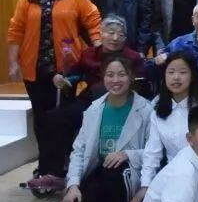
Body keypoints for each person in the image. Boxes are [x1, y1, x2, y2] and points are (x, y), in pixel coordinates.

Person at [7, 0, 101, 192]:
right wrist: (13, 61)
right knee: (41, 120)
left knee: (61, 119)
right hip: (35, 69)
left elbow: (92, 21)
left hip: (67, 70)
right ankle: (46, 166)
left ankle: (59, 168)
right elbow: (16, 30)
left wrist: (100, 49)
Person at [46, 16, 146, 187]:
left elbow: (140, 81)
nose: (115, 38)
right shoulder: (89, 54)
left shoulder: (133, 57)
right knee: (53, 118)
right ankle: (56, 171)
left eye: (120, 34)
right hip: (90, 101)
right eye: (110, 32)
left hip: (119, 102)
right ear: (100, 33)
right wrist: (63, 79)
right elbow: (74, 73)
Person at [60, 57, 152, 202]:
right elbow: (79, 150)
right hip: (102, 171)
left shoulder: (145, 109)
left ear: (131, 77)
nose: (115, 80)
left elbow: (155, 151)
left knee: (115, 166)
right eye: (110, 75)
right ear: (103, 78)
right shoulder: (94, 109)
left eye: (121, 74)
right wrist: (73, 185)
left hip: (130, 172)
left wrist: (127, 154)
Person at [130, 51, 198, 202]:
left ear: (193, 76)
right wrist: (146, 186)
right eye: (171, 72)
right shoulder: (158, 108)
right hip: (171, 175)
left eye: (182, 72)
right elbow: (153, 152)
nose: (176, 77)